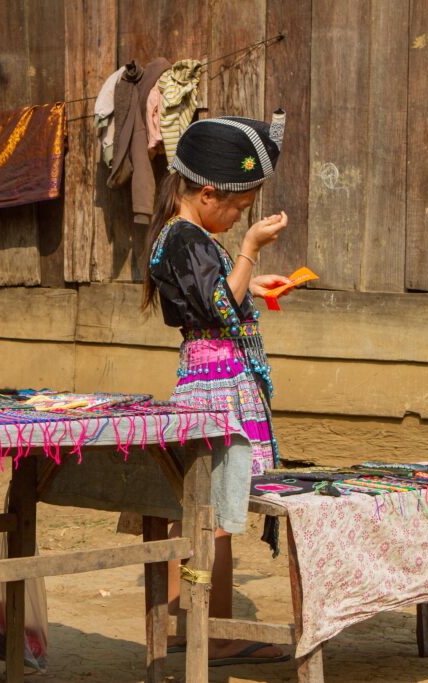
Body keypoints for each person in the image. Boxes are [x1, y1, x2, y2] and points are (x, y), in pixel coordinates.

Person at [142, 113, 291, 666]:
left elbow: (214, 297)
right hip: (219, 386)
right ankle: (219, 632)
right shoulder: (186, 239)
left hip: (202, 379)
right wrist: (249, 249)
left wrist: (250, 280)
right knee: (220, 513)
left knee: (197, 506)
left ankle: (187, 624)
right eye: (238, 210)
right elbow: (221, 310)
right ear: (209, 194)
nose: (238, 219)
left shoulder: (180, 237)